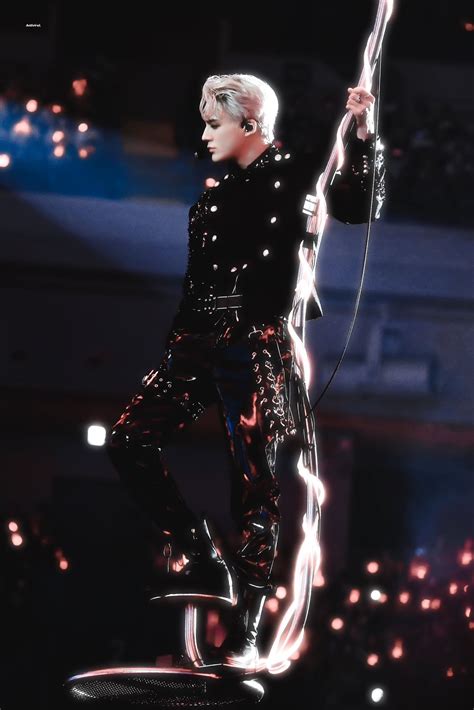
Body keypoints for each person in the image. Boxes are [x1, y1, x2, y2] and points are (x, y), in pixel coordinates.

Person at [106, 74, 386, 669]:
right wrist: (180, 345)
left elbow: (359, 205)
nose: (203, 134)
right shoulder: (210, 199)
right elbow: (195, 285)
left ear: (250, 123)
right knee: (128, 440)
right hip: (199, 342)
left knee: (253, 486)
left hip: (255, 344)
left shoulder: (298, 173)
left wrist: (362, 133)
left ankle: (248, 628)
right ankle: (199, 551)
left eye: (214, 123)